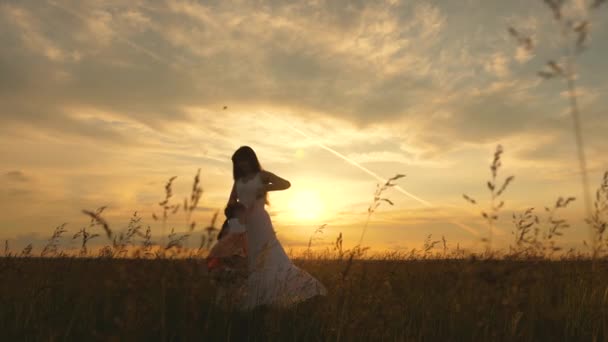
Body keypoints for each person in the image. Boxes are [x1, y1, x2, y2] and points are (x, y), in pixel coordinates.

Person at [228, 146, 327, 310]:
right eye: (237, 163)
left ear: (250, 159)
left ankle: (280, 296)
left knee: (271, 256)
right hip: (243, 222)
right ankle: (257, 301)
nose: (240, 165)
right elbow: (231, 201)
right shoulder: (237, 182)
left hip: (260, 221)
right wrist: (235, 212)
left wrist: (265, 188)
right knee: (250, 259)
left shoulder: (262, 175)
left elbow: (286, 184)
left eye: (242, 161)